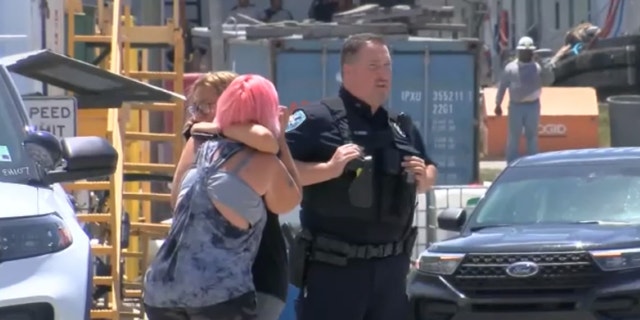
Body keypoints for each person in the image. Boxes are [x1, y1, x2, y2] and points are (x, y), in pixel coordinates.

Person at [285, 33, 437, 320]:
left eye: (387, 66)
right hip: (335, 272)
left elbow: (430, 167)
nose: (383, 74)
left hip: (392, 273)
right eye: (373, 66)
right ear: (348, 71)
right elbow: (279, 170)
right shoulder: (318, 119)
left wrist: (424, 177)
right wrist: (328, 169)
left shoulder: (400, 125)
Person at [144, 74, 302, 320]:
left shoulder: (201, 144)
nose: (198, 113)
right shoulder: (263, 162)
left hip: (163, 289)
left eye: (209, 106)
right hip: (223, 293)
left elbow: (177, 202)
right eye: (196, 107)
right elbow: (291, 197)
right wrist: (280, 137)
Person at [495, 36, 555, 164]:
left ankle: (533, 162)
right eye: (523, 51)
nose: (526, 53)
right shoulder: (511, 68)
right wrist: (498, 104)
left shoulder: (537, 67)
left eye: (529, 51)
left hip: (533, 105)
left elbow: (549, 80)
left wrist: (544, 66)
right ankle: (511, 162)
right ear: (519, 51)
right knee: (513, 136)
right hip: (516, 106)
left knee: (532, 136)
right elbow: (502, 86)